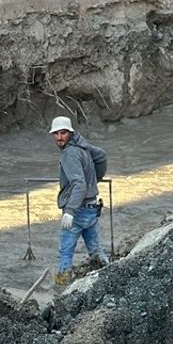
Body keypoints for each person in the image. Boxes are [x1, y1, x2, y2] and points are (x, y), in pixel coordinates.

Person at [50, 116, 109, 286]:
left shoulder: (69, 153)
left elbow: (78, 183)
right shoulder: (83, 146)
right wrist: (95, 180)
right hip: (91, 209)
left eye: (63, 133)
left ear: (70, 133)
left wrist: (69, 211)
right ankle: (109, 277)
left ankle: (61, 288)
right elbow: (101, 156)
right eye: (56, 134)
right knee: (96, 251)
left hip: (77, 211)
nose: (59, 137)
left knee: (65, 253)